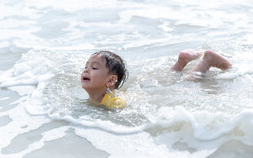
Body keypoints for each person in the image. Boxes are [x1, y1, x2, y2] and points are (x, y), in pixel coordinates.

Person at [81, 49, 232, 109]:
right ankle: (181, 62)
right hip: (145, 90)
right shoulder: (100, 97)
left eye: (94, 68)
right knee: (166, 80)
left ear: (111, 81)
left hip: (150, 95)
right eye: (86, 66)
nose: (87, 70)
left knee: (185, 84)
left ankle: (207, 60)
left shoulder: (114, 102)